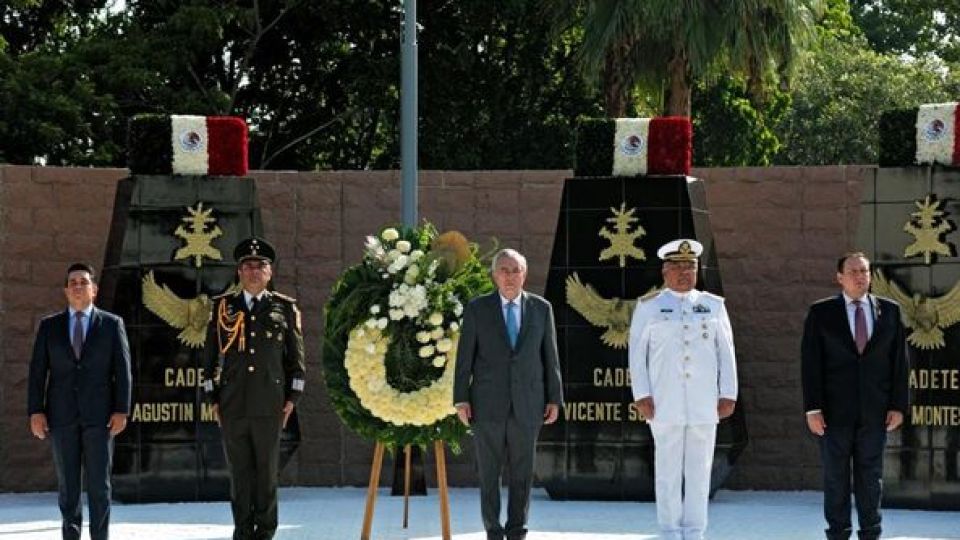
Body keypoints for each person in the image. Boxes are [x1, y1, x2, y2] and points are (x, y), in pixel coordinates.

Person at [628, 239, 738, 540]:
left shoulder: (713, 306)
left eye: (690, 267)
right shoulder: (650, 306)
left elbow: (725, 351)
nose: (684, 273)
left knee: (700, 471)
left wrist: (728, 392)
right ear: (665, 271)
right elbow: (637, 355)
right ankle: (670, 530)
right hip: (665, 402)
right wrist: (642, 394)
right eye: (677, 267)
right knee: (667, 471)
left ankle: (695, 530)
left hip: (704, 402)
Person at [454, 248, 564, 540]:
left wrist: (555, 398)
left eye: (516, 270)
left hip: (528, 405)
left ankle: (517, 530)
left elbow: (550, 357)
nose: (510, 276)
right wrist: (460, 398)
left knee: (522, 474)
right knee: (489, 474)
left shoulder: (542, 309)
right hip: (486, 405)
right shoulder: (478, 309)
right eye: (504, 270)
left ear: (525, 274)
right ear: (494, 276)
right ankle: (493, 529)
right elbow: (464, 358)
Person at [202, 237, 306, 540]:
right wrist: (213, 396)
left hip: (269, 404)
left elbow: (296, 361)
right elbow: (209, 358)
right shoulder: (223, 307)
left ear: (270, 272)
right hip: (233, 403)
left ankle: (266, 532)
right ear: (239, 271)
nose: (253, 271)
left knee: (266, 475)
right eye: (247, 266)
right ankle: (243, 531)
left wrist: (292, 398)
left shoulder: (284, 308)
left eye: (260, 266)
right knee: (240, 475)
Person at [801, 252, 909, 540]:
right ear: (839, 278)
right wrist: (812, 408)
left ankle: (871, 532)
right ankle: (838, 533)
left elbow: (900, 363)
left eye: (864, 271)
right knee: (835, 478)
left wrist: (898, 405)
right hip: (833, 415)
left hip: (875, 413)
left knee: (871, 478)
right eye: (853, 271)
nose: (860, 277)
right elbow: (811, 364)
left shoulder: (890, 311)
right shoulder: (821, 313)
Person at [27, 262, 132, 540]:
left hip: (100, 419)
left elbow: (122, 371)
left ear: (94, 290)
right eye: (72, 282)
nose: (77, 286)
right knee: (68, 488)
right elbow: (38, 372)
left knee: (99, 487)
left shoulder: (111, 324)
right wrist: (36, 411)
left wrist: (122, 409)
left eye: (83, 282)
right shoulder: (50, 326)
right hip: (61, 418)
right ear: (65, 290)